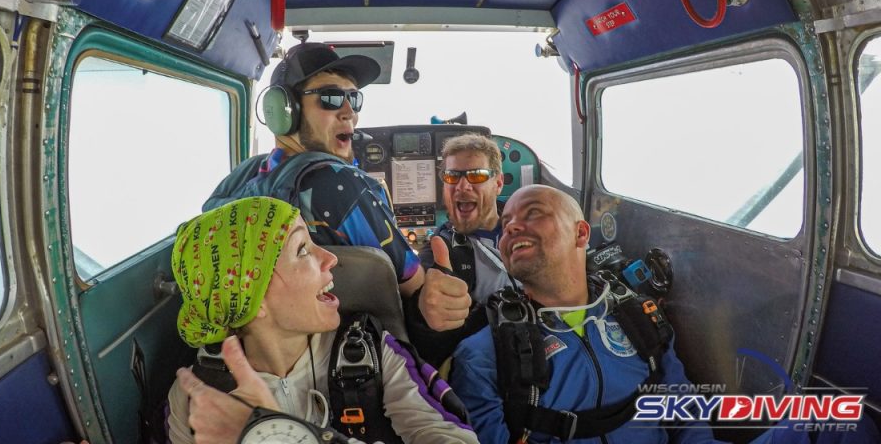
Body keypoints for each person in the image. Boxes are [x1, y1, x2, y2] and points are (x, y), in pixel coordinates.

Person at [450, 185, 880, 444]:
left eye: (533, 214)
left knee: (839, 416)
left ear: (582, 233)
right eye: (506, 223)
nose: (512, 227)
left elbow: (679, 407)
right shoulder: (486, 351)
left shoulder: (639, 319)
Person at [167, 196, 478, 444]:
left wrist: (272, 434)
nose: (331, 258)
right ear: (252, 299)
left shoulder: (372, 350)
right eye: (303, 249)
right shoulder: (198, 394)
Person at [204, 42, 424, 298]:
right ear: (285, 110)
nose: (349, 113)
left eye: (354, 98)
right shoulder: (338, 183)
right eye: (330, 98)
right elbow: (414, 286)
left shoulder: (248, 173)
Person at [406, 134, 513, 364]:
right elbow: (428, 349)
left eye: (476, 175)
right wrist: (424, 316)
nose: (462, 186)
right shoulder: (440, 251)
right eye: (452, 176)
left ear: (498, 183)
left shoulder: (525, 225)